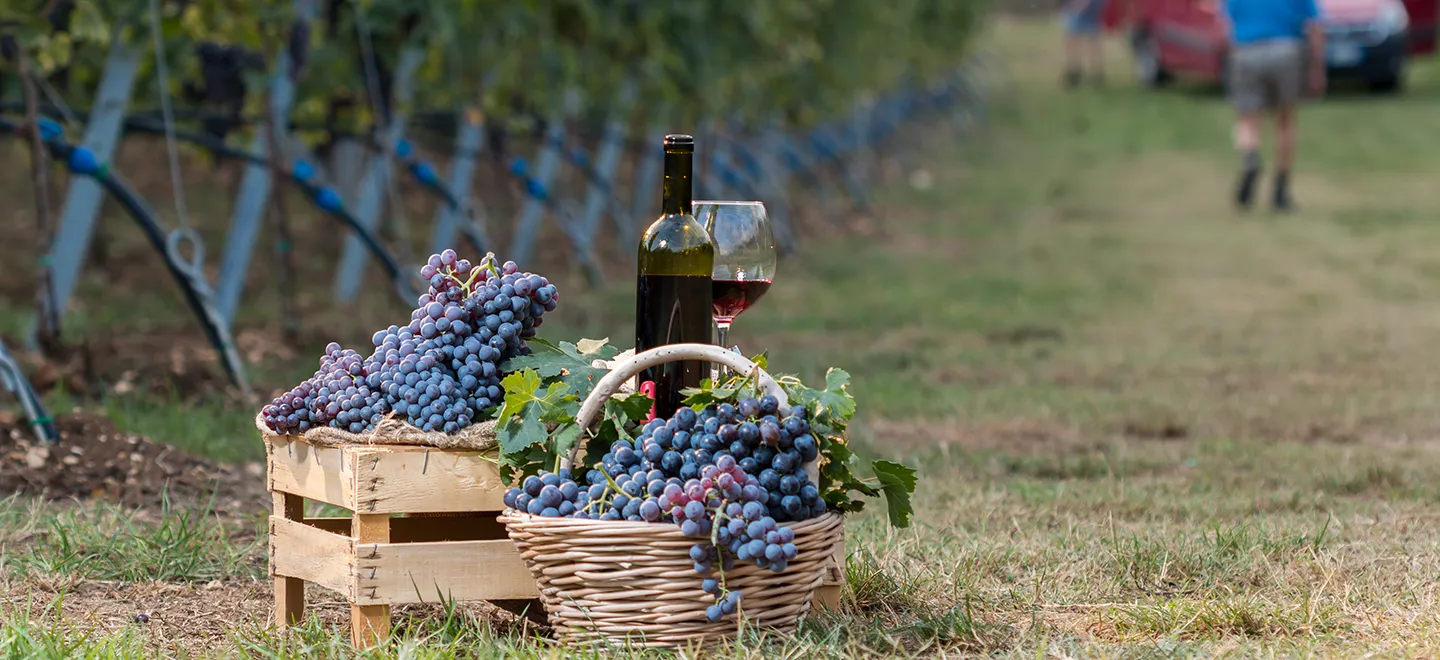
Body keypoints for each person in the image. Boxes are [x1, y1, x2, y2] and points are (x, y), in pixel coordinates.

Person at [1222, 0, 1326, 211]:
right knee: (1285, 120)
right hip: (1287, 50)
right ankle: (1280, 190)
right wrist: (1317, 67)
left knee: (1248, 118)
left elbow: (1224, 26)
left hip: (1246, 50)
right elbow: (1315, 26)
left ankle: (1250, 158)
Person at [1061, 0, 1107, 88]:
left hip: (1081, 7)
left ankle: (1075, 74)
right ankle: (1093, 74)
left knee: (1076, 40)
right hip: (1084, 7)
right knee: (1090, 41)